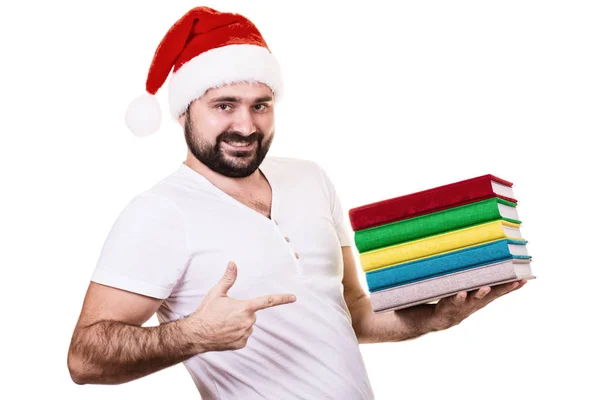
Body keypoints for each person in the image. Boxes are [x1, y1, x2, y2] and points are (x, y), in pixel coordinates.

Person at [67, 6, 527, 399]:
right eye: (224, 105)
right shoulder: (158, 212)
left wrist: (432, 319)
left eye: (260, 105)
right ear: (185, 110)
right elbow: (84, 359)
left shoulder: (310, 178)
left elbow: (351, 312)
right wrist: (193, 335)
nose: (246, 126)